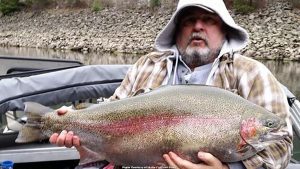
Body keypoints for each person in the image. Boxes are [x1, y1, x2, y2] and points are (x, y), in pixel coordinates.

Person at [50, 0, 293, 168]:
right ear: (177, 32)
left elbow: (282, 147)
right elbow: (109, 118)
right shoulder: (146, 65)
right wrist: (79, 133)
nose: (198, 26)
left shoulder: (253, 74)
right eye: (189, 21)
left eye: (209, 20)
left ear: (225, 31)